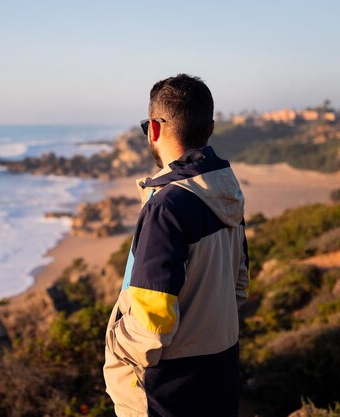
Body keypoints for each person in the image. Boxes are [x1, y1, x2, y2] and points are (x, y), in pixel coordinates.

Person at [103, 74, 249, 417]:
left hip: (166, 394)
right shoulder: (227, 194)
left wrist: (116, 352)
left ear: (154, 128)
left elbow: (150, 321)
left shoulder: (166, 207)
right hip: (220, 379)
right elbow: (238, 288)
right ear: (209, 129)